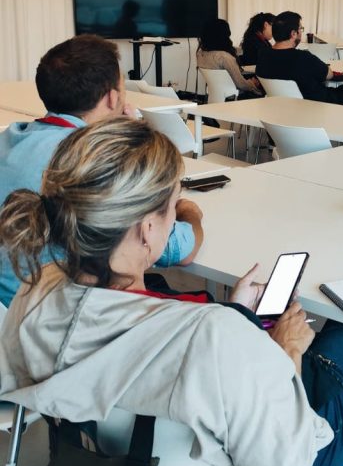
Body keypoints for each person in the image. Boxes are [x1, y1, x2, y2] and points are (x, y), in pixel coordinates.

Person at [0, 118, 343, 466]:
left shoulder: (34, 293)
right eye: (172, 207)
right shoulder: (216, 338)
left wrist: (238, 316)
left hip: (109, 450)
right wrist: (286, 353)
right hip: (286, 448)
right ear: (147, 230)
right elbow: (286, 460)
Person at [0, 35, 202, 306]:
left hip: (12, 310)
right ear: (112, 97)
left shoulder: (9, 138)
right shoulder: (92, 163)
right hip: (65, 309)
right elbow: (181, 250)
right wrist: (189, 212)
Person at [255, 11, 343, 107]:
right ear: (293, 34)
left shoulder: (263, 55)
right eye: (300, 29)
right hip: (315, 107)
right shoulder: (302, 57)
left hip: (279, 110)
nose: (301, 33)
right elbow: (329, 75)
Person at [196, 18, 261, 98]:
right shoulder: (224, 57)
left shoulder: (200, 54)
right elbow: (241, 85)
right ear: (224, 35)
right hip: (235, 97)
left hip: (216, 96)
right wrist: (252, 83)